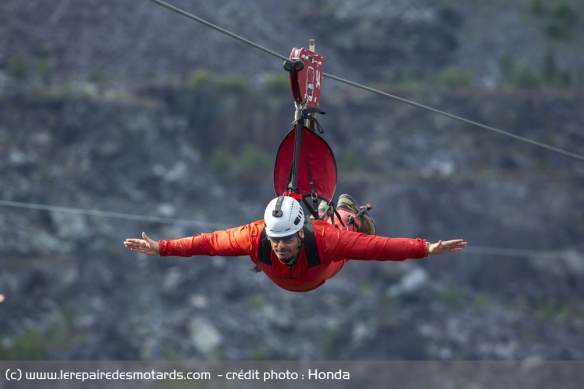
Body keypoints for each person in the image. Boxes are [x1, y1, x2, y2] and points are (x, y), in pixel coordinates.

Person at [124, 194, 467, 293]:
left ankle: (346, 214)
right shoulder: (255, 237)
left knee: (349, 239)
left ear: (300, 232)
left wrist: (426, 248)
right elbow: (209, 242)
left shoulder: (325, 241)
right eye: (276, 240)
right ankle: (327, 208)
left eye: (286, 239)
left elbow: (379, 249)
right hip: (290, 273)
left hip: (320, 271)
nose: (280, 246)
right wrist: (162, 248)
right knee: (334, 233)